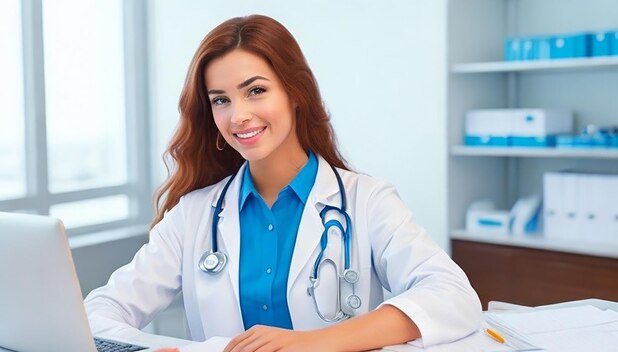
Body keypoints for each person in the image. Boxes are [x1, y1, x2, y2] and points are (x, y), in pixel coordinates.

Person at [84, 14, 482, 352]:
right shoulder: (193, 216)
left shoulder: (367, 201)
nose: (238, 115)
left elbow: (452, 296)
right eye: (220, 99)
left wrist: (313, 343)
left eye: (255, 91)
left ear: (295, 93)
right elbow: (96, 315)